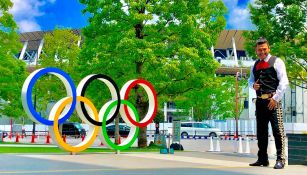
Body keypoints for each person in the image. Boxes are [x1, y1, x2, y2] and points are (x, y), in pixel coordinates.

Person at [248, 37, 289, 169]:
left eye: (264, 49)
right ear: (256, 51)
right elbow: (250, 81)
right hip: (260, 102)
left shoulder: (276, 62)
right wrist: (253, 85)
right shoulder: (254, 64)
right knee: (261, 132)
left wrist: (275, 98)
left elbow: (284, 82)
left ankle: (280, 159)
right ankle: (262, 159)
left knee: (278, 131)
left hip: (273, 101)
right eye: (259, 50)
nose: (262, 52)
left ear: (268, 48)